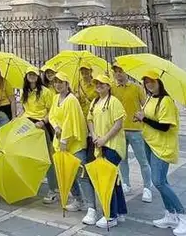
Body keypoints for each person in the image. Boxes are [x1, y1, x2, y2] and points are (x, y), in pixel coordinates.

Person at [138, 71, 186, 236]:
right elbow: (149, 118)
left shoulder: (166, 101)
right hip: (150, 142)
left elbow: (165, 126)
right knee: (161, 181)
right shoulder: (150, 98)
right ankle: (171, 214)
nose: (149, 84)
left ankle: (184, 216)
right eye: (146, 82)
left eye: (152, 81)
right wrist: (141, 117)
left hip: (162, 146)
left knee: (158, 182)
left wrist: (144, 119)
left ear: (159, 83)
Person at [86, 72, 128, 227]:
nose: (99, 86)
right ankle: (120, 211)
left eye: (102, 84)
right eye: (96, 84)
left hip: (113, 146)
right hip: (99, 144)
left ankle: (110, 216)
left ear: (108, 86)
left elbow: (118, 124)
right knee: (114, 179)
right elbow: (89, 119)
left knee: (106, 180)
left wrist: (105, 138)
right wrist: (94, 135)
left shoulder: (114, 102)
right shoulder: (95, 102)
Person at [48, 71, 89, 213]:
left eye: (61, 82)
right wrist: (55, 127)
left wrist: (64, 139)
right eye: (56, 82)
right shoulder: (55, 98)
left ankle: (91, 205)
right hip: (60, 140)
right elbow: (52, 115)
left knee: (81, 173)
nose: (58, 85)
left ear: (66, 84)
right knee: (66, 173)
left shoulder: (71, 100)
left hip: (74, 142)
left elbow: (70, 121)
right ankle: (78, 199)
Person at [111, 64, 152, 202]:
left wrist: (142, 114)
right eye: (116, 72)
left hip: (135, 129)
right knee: (123, 159)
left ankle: (147, 187)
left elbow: (146, 105)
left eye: (120, 71)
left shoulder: (136, 87)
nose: (118, 74)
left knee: (142, 160)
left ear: (126, 72)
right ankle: (126, 184)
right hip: (120, 129)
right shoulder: (112, 88)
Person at [17, 67, 57, 203]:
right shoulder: (25, 92)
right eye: (30, 74)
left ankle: (53, 190)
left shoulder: (45, 92)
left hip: (41, 126)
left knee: (47, 158)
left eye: (34, 74)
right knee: (28, 157)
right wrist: (16, 119)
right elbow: (24, 109)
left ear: (38, 76)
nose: (32, 76)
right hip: (27, 126)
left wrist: (43, 121)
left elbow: (52, 111)